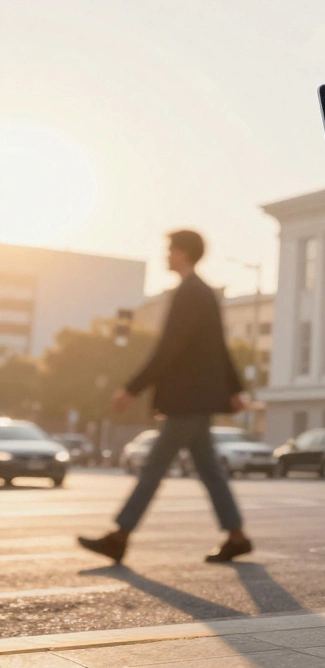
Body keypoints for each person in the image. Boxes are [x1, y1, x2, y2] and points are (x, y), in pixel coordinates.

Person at [79, 230, 253, 565]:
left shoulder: (189, 293)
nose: (165, 256)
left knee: (154, 468)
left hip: (187, 399)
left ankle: (120, 536)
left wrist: (131, 387)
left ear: (184, 253)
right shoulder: (202, 292)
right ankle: (237, 536)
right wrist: (234, 390)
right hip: (197, 399)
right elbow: (219, 345)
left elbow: (170, 348)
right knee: (209, 470)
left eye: (170, 250)